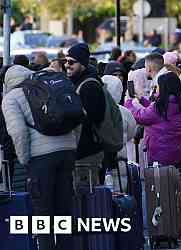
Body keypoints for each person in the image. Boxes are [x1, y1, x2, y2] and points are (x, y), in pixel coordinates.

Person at [3, 65, 77, 250]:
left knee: (42, 214)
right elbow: (77, 117)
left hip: (40, 158)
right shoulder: (50, 86)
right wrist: (71, 145)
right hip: (67, 151)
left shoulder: (11, 98)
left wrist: (24, 158)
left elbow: (18, 132)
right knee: (63, 211)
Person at [125, 72, 181, 166]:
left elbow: (139, 116)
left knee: (160, 179)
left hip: (159, 154)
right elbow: (155, 113)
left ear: (163, 88)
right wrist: (141, 99)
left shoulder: (159, 107)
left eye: (157, 86)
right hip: (176, 151)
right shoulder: (179, 103)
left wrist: (128, 102)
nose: (155, 89)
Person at [65, 43, 106, 181]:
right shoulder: (79, 82)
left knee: (88, 197)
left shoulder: (89, 86)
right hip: (83, 151)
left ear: (82, 64)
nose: (67, 65)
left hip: (87, 153)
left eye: (71, 62)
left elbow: (93, 118)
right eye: (65, 61)